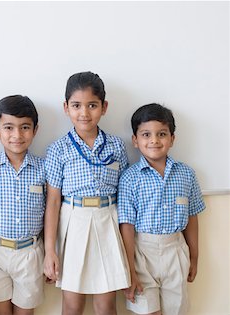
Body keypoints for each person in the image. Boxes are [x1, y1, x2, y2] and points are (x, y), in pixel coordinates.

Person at [44, 71, 130, 315]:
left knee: (105, 304)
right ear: (66, 107)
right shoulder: (58, 149)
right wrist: (50, 250)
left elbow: (123, 196)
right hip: (74, 222)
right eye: (77, 105)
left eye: (92, 105)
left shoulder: (116, 145)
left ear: (104, 107)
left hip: (108, 221)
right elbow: (52, 202)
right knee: (72, 304)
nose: (84, 113)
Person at [118, 103, 206, 315]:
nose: (154, 140)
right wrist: (130, 269)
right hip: (142, 252)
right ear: (135, 141)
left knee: (177, 310)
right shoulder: (130, 178)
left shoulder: (186, 174)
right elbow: (127, 226)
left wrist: (194, 257)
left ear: (172, 139)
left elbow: (192, 217)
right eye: (146, 134)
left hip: (175, 250)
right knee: (147, 310)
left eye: (162, 134)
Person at [0, 95, 46, 315]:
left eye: (25, 127)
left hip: (30, 253)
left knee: (26, 311)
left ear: (35, 130)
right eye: (8, 127)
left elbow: (52, 213)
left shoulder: (44, 169)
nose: (17, 135)